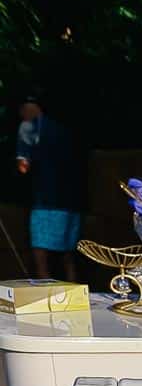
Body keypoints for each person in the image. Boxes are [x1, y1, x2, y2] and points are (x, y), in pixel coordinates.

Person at [14, 90, 84, 280]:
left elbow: (23, 166)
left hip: (46, 200)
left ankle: (44, 300)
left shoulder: (28, 127)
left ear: (27, 109)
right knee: (68, 257)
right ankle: (76, 301)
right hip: (71, 201)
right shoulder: (64, 128)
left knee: (41, 256)